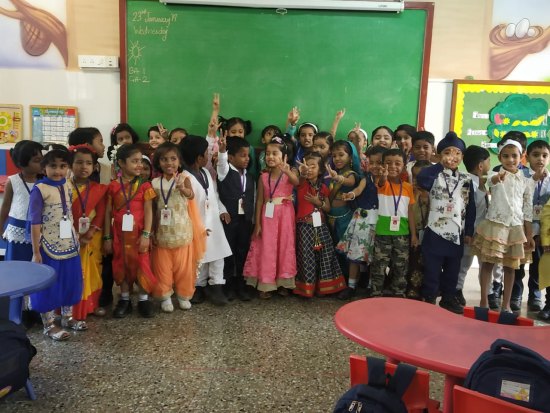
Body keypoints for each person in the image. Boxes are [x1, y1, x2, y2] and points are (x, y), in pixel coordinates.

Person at [28, 146, 84, 340]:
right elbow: (35, 222)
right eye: (53, 166)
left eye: (63, 166)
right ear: (44, 167)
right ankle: (49, 324)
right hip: (47, 245)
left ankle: (67, 317)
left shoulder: (68, 183)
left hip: (69, 243)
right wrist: (36, 252)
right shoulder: (39, 189)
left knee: (69, 280)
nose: (58, 170)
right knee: (49, 284)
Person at [472, 138, 534, 313]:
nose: (510, 159)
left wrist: (529, 235)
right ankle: (483, 301)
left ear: (521, 157)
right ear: (499, 158)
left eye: (514, 156)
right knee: (487, 264)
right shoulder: (494, 174)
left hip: (515, 228)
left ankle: (505, 305)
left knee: (510, 267)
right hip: (495, 226)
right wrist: (496, 178)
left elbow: (528, 210)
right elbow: (488, 182)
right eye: (505, 156)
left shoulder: (526, 181)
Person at [416, 132, 475, 313]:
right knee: (432, 268)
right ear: (439, 155)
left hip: (456, 231)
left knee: (452, 269)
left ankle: (448, 298)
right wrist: (439, 165)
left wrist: (469, 231)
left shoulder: (466, 179)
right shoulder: (434, 174)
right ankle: (429, 297)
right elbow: (422, 180)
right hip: (435, 229)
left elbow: (470, 206)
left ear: (462, 157)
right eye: (447, 152)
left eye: (457, 153)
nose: (452, 156)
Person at [150, 142, 206, 312]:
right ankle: (165, 296)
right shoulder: (154, 183)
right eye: (164, 159)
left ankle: (183, 295)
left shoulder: (184, 179)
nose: (169, 163)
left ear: (179, 161)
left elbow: (191, 195)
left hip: (182, 232)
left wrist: (182, 188)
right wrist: (151, 230)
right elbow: (152, 208)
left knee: (184, 268)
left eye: (173, 159)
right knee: (162, 268)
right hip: (162, 233)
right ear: (158, 162)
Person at [103, 144, 157, 318]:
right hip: (120, 236)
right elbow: (107, 213)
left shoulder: (145, 186)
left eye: (140, 161)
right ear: (121, 163)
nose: (139, 165)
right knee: (121, 264)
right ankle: (124, 299)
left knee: (142, 265)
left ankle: (143, 299)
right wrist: (107, 237)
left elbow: (149, 211)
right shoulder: (112, 186)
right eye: (134, 161)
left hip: (139, 235)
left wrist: (146, 234)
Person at [243, 136, 299, 298]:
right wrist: (257, 223)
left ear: (284, 156)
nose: (270, 157)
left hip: (285, 216)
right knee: (267, 247)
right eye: (268, 153)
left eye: (275, 153)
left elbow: (297, 182)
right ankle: (266, 283)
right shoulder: (263, 176)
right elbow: (260, 200)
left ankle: (283, 282)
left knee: (284, 246)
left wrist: (287, 170)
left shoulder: (290, 172)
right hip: (267, 217)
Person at [181, 135, 233, 306]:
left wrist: (222, 210)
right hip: (197, 224)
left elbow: (214, 195)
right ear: (198, 158)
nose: (209, 155)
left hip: (214, 223)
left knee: (218, 255)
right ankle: (198, 286)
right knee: (200, 258)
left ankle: (217, 286)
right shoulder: (185, 178)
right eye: (206, 153)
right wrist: (194, 227)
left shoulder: (205, 173)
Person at [294, 152, 345, 298]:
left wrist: (318, 203)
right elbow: (300, 178)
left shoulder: (323, 187)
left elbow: (327, 208)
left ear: (320, 170)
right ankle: (306, 288)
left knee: (326, 255)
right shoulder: (301, 183)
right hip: (304, 227)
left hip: (321, 226)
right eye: (306, 166)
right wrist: (302, 173)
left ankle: (325, 288)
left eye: (313, 166)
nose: (309, 169)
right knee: (306, 257)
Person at [370, 148, 417, 297]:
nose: (392, 166)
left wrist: (413, 235)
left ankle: (399, 292)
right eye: (388, 163)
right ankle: (376, 292)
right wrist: (383, 176)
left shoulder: (408, 187)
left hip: (402, 234)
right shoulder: (381, 183)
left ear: (404, 166)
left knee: (401, 266)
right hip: (382, 233)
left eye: (397, 163)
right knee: (379, 265)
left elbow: (410, 212)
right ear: (383, 165)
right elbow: (381, 182)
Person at [68, 144, 108, 319]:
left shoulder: (99, 189)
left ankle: (92, 304)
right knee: (72, 272)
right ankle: (70, 307)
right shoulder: (64, 187)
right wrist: (74, 236)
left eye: (88, 163)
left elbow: (101, 213)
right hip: (69, 238)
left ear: (94, 167)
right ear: (71, 165)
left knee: (93, 271)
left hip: (92, 237)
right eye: (79, 162)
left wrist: (90, 233)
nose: (84, 167)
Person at [336, 146, 381, 299]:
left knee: (375, 256)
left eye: (379, 162)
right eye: (371, 162)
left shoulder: (387, 181)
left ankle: (370, 286)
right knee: (355, 254)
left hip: (379, 221)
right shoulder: (365, 179)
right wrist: (351, 194)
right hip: (362, 220)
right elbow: (358, 190)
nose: (375, 166)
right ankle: (351, 286)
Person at [217, 136, 255, 301]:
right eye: (242, 155)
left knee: (243, 251)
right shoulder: (225, 172)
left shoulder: (250, 177)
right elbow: (221, 162)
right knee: (228, 252)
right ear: (231, 157)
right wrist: (222, 151)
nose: (247, 158)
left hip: (245, 220)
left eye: (248, 155)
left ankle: (241, 283)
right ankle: (227, 284)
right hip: (229, 220)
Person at [455, 145, 490, 306]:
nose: (490, 164)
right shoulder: (468, 183)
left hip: (484, 231)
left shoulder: (485, 182)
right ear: (480, 166)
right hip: (471, 231)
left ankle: (488, 293)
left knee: (485, 264)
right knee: (465, 262)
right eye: (488, 161)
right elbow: (469, 207)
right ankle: (457, 290)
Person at [0, 140, 43, 261]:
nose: (42, 163)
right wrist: (0, 227)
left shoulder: (45, 181)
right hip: (17, 228)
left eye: (42, 159)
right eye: (37, 160)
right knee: (17, 263)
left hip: (39, 228)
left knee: (37, 263)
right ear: (22, 163)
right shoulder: (13, 181)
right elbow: (5, 207)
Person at [522, 140, 550, 318]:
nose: (540, 159)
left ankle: (535, 297)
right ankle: (516, 295)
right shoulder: (522, 177)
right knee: (518, 265)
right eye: (536, 155)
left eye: (545, 155)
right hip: (523, 228)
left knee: (540, 266)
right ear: (527, 157)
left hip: (543, 231)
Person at [406, 159, 431, 299]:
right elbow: (410, 214)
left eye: (420, 177)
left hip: (430, 236)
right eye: (414, 176)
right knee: (413, 264)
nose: (416, 180)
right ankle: (412, 291)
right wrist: (414, 235)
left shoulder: (435, 194)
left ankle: (427, 292)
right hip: (414, 234)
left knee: (428, 266)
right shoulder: (411, 193)